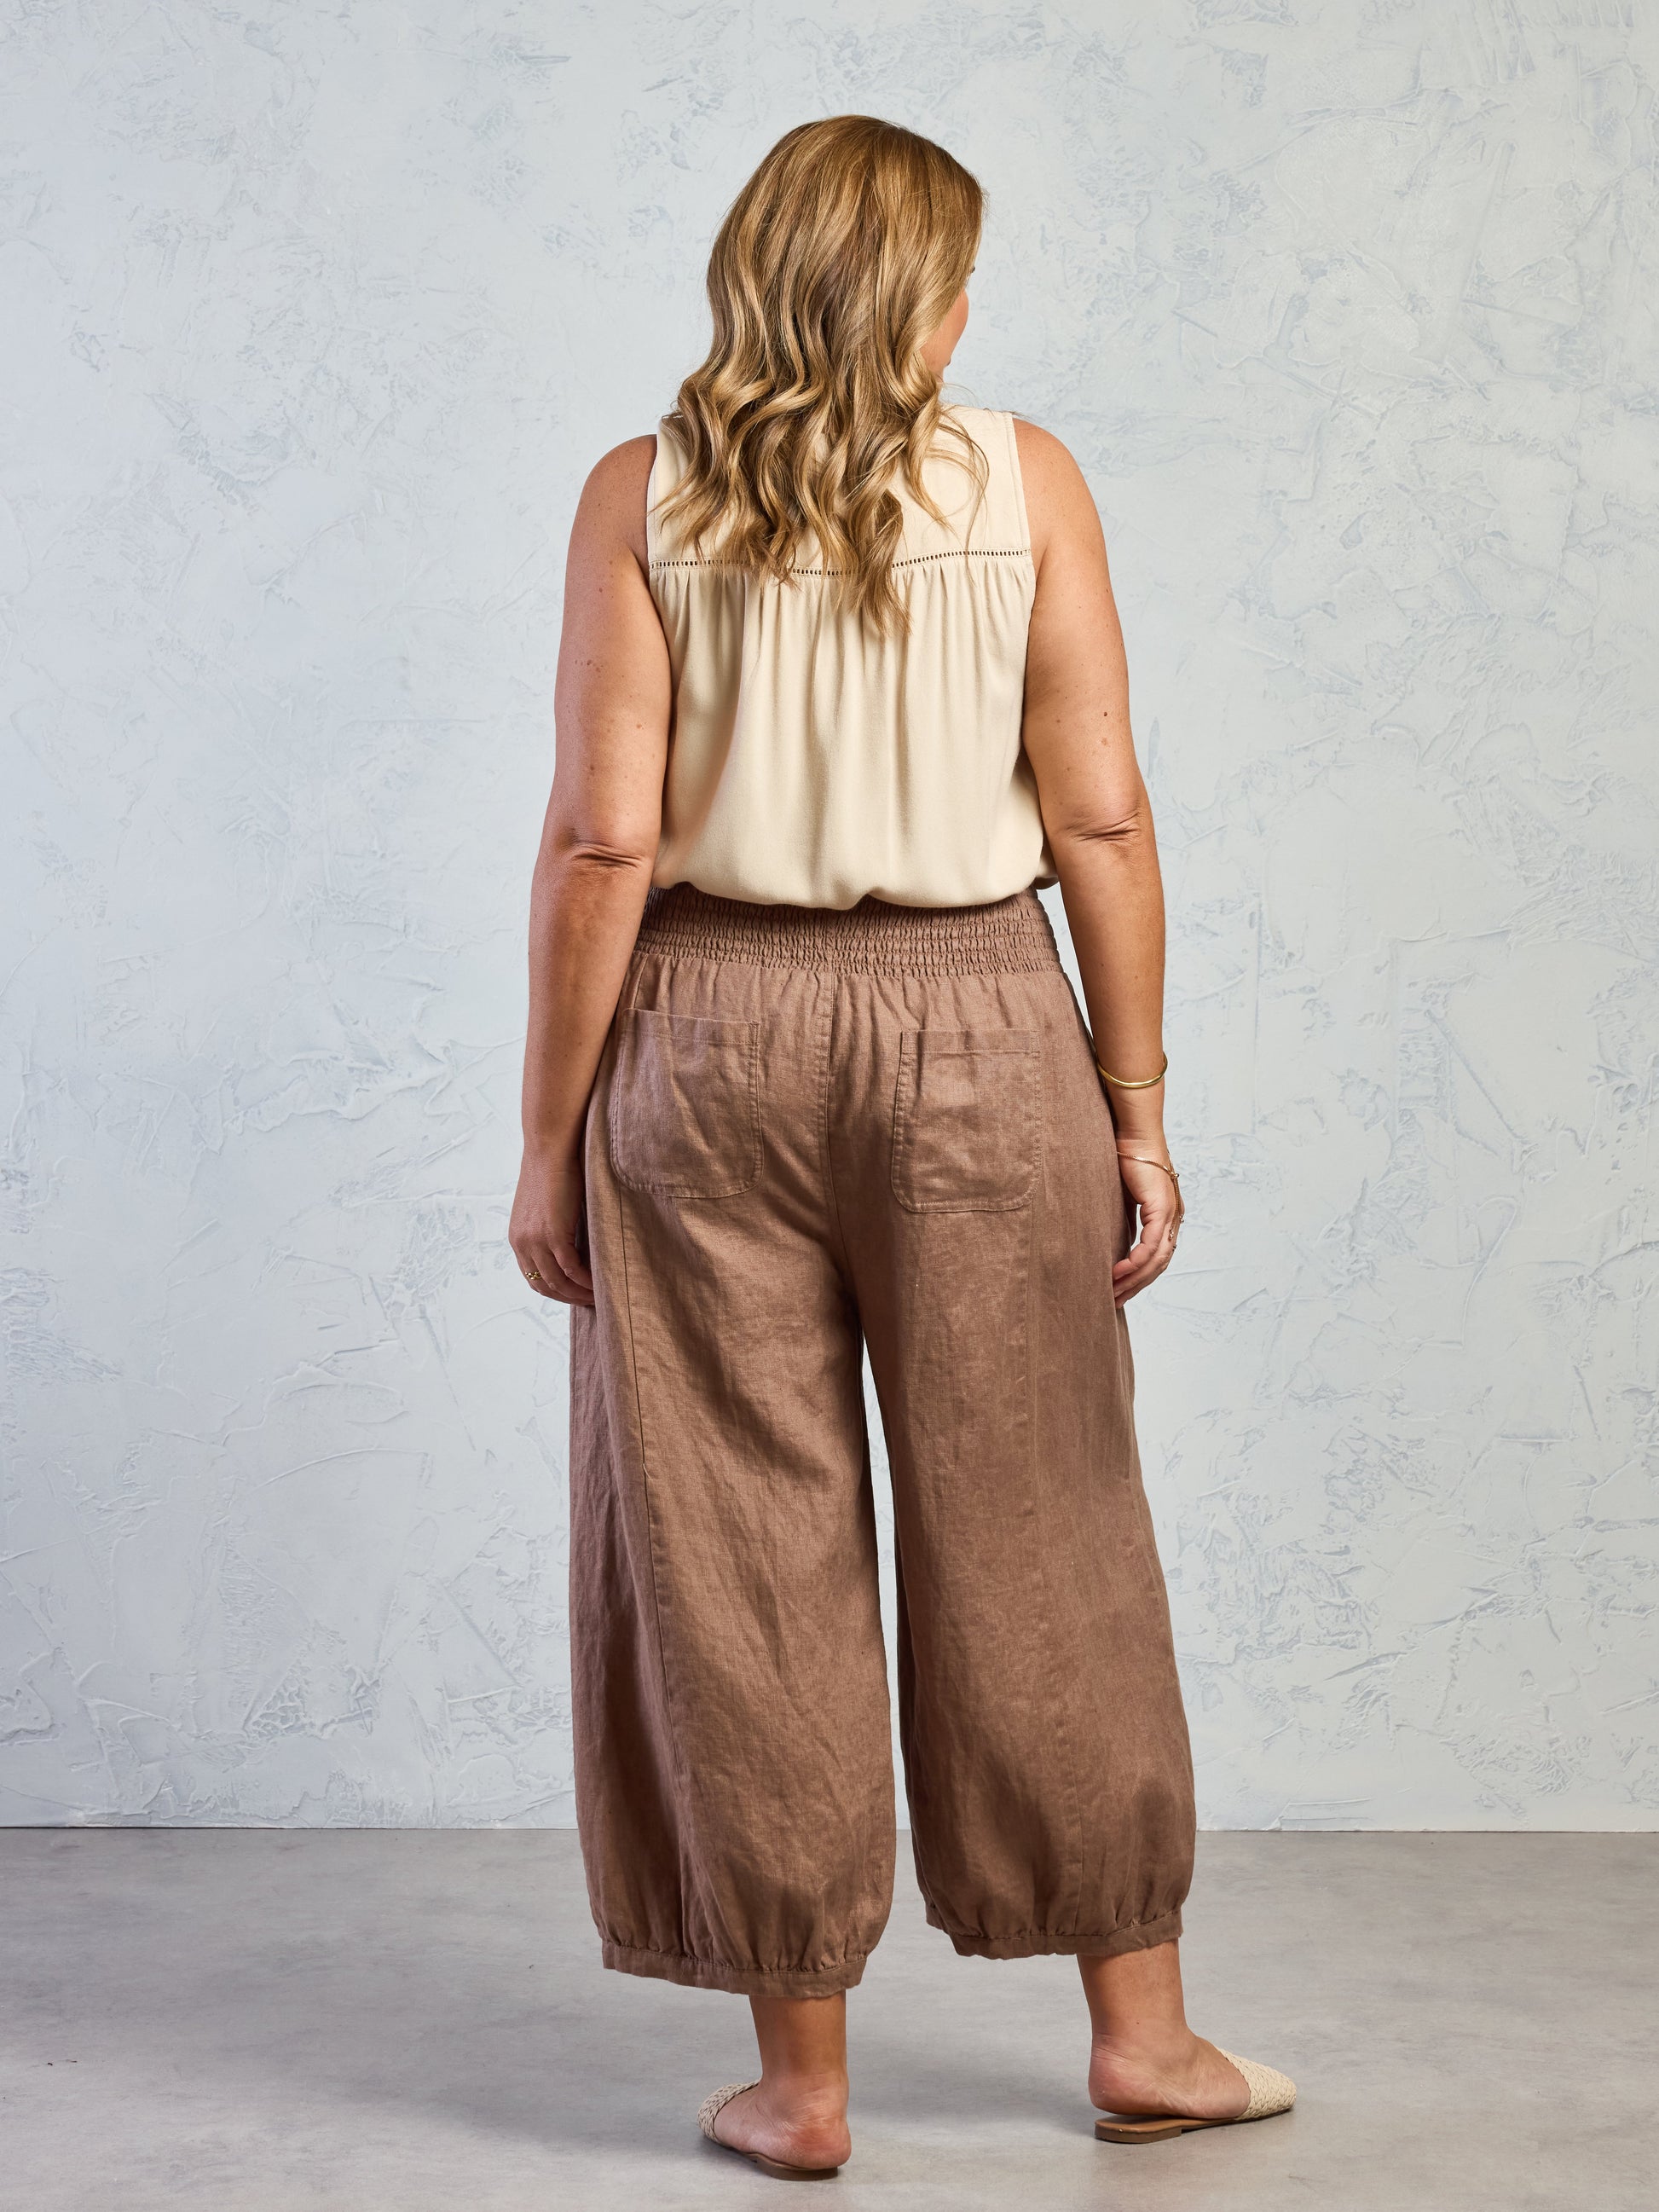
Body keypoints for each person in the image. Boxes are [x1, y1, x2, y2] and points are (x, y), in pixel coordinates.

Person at [510, 113, 1294, 2180]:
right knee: (1043, 1514)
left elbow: (604, 840)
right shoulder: (1023, 482)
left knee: (740, 1546)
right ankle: (1145, 2036)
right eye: (961, 281)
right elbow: (1103, 818)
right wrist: (1135, 1108)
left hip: (701, 1032)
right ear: (925, 303)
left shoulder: (638, 496)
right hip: (979, 1020)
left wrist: (543, 1137)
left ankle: (804, 2084)